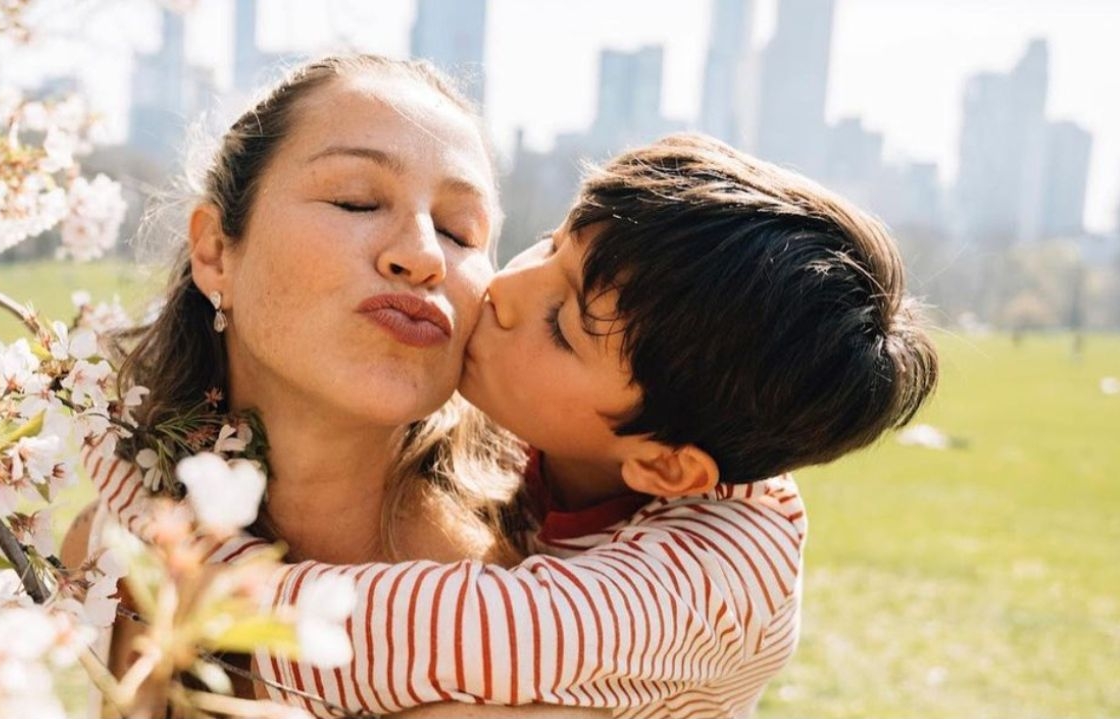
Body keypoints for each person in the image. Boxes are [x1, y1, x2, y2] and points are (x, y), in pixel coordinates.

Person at [88, 132, 939, 718]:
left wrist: (195, 573)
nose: (507, 291)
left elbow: (455, 630)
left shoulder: (718, 565)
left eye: (561, 327)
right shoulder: (576, 441)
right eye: (549, 244)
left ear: (666, 467)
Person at [63, 53, 611, 718]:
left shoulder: (544, 581)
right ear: (214, 253)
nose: (423, 254)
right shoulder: (116, 550)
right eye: (357, 199)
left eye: (458, 230)